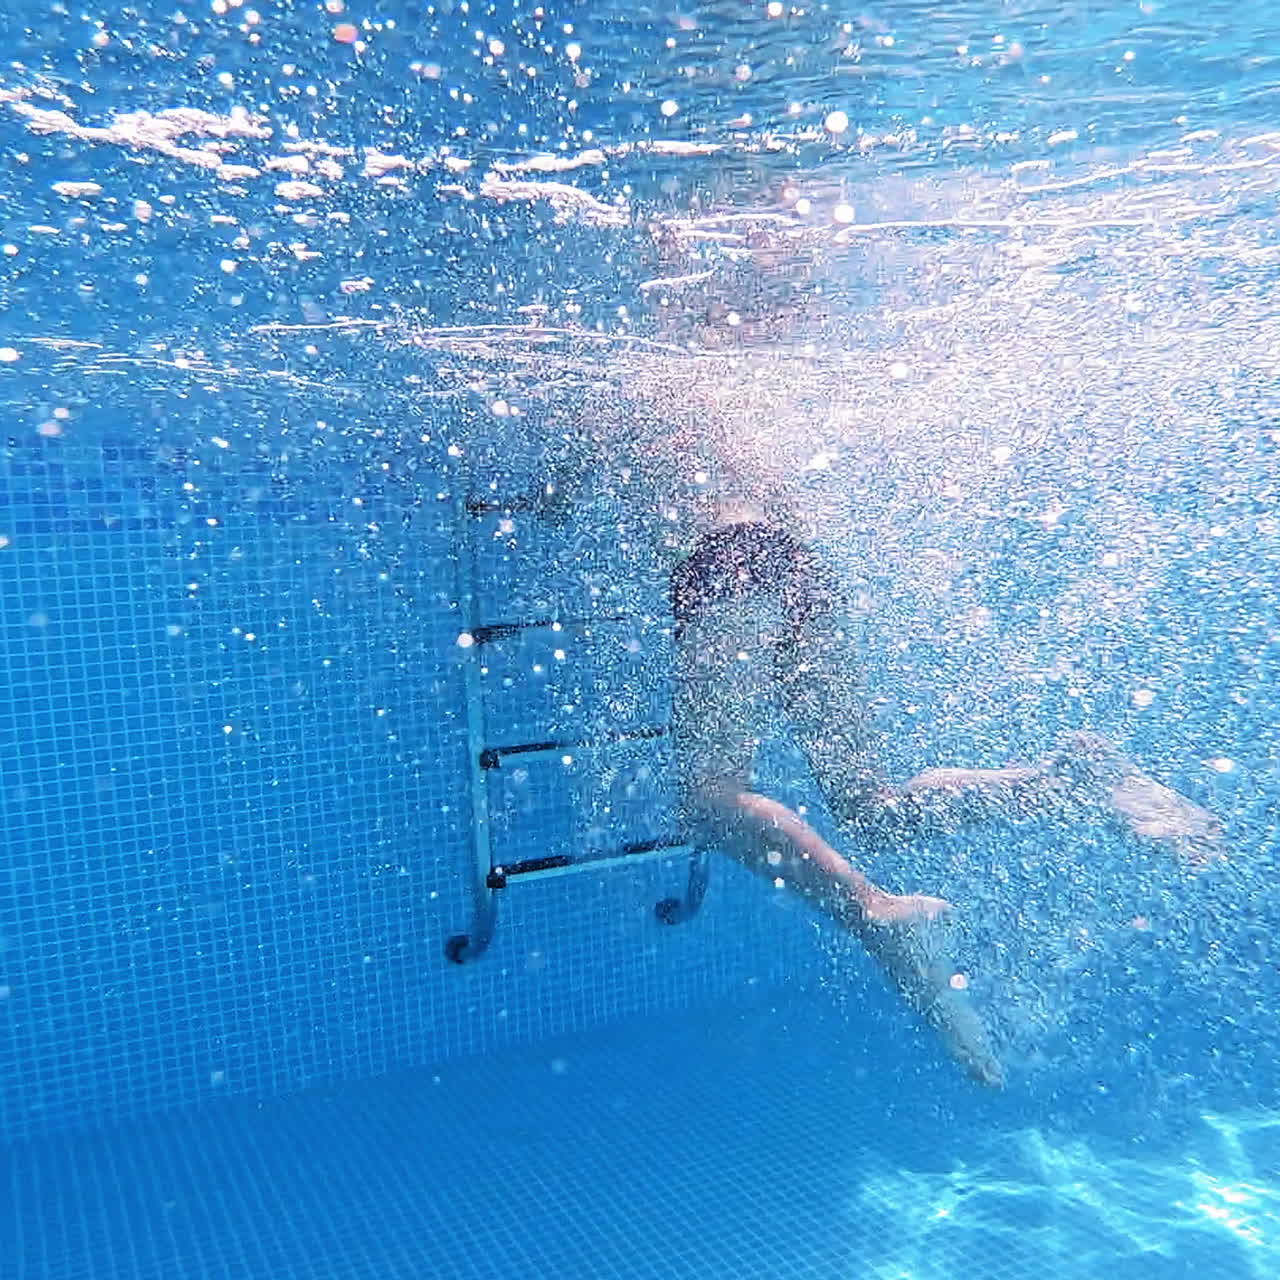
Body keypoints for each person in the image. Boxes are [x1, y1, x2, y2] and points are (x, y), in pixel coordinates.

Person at [535, 370, 1224, 1087]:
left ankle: (878, 912)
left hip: (726, 567)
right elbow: (784, 517)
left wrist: (541, 496)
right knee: (869, 803)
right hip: (799, 572)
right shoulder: (741, 398)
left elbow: (558, 496)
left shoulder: (626, 383)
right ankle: (1066, 782)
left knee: (709, 798)